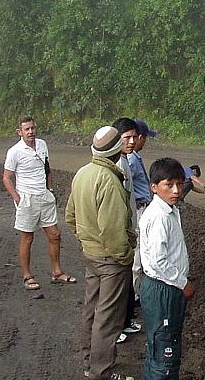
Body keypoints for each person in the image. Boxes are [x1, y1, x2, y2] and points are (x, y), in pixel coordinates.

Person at [65, 125, 136, 380]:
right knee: (108, 320)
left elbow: (70, 216)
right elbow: (114, 231)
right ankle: (101, 373)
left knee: (91, 310)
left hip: (91, 255)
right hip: (111, 261)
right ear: (117, 152)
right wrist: (126, 257)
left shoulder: (83, 173)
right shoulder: (110, 181)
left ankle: (89, 364)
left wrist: (86, 241)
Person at [2, 115, 76, 291]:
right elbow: (6, 177)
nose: (31, 132)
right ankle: (27, 276)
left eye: (33, 128)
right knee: (27, 238)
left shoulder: (42, 145)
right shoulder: (14, 151)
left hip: (44, 196)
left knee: (55, 234)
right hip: (26, 198)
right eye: (27, 129)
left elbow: (47, 168)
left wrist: (50, 190)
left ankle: (57, 272)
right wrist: (17, 198)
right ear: (19, 132)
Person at [140, 158, 195, 380]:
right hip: (163, 288)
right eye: (169, 185)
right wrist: (183, 283)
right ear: (154, 187)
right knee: (165, 350)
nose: (176, 190)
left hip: (166, 286)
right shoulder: (160, 216)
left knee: (161, 344)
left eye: (180, 185)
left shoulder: (170, 210)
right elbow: (157, 261)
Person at [111, 117, 142, 343]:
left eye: (133, 137)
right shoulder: (116, 166)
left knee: (127, 275)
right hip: (119, 230)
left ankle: (126, 320)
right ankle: (115, 327)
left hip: (129, 225)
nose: (131, 142)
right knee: (117, 280)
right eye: (126, 138)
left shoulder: (126, 159)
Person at [127, 119, 157, 294]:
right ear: (139, 137)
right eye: (145, 138)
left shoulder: (135, 157)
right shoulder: (131, 159)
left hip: (142, 206)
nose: (145, 142)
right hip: (138, 208)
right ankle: (134, 292)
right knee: (138, 250)